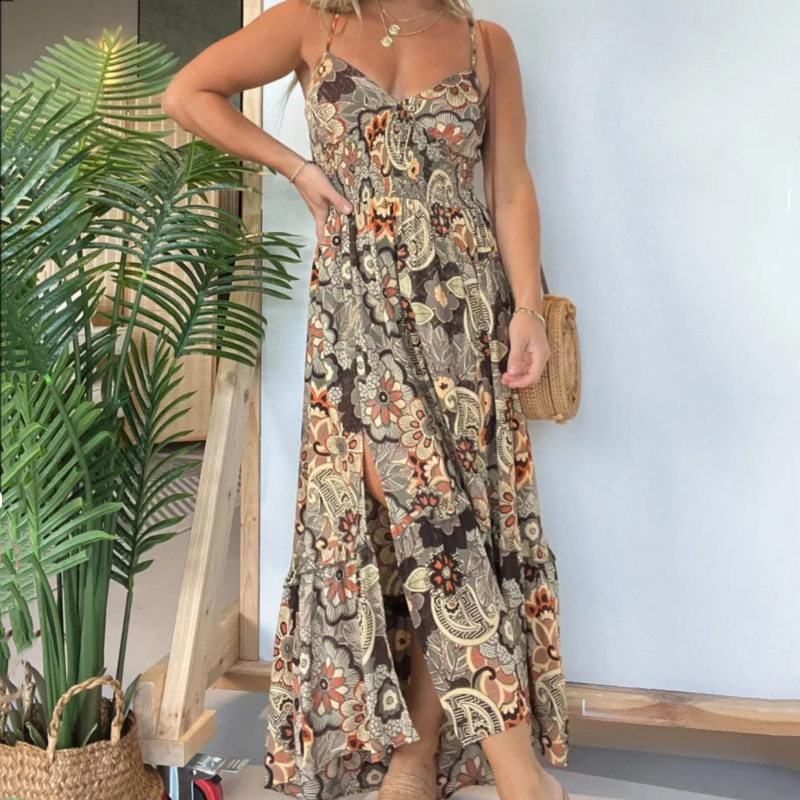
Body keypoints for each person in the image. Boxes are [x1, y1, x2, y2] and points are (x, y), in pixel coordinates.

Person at [163, 2, 569, 798]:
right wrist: (295, 166)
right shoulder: (308, 22)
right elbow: (188, 93)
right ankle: (522, 776)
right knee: (425, 514)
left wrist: (527, 307)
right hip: (357, 313)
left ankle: (420, 749)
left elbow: (510, 182)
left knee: (455, 526)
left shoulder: (485, 44)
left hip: (464, 310)